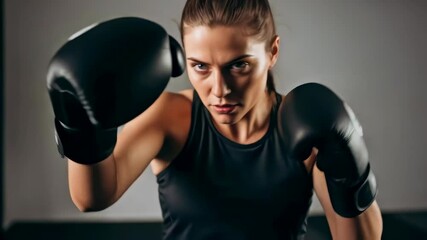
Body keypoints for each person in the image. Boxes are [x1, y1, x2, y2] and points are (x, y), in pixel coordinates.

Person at [47, 0, 383, 239]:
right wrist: (78, 124)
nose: (219, 90)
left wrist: (351, 165)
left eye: (239, 65)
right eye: (200, 66)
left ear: (272, 53)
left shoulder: (304, 126)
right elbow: (91, 198)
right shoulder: (169, 115)